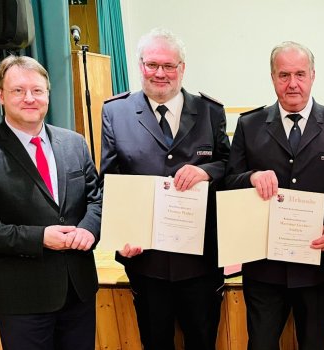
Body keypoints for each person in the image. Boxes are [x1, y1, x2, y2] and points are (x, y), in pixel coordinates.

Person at [0, 55, 102, 350]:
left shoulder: (75, 143)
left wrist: (89, 229)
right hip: (23, 297)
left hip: (79, 290)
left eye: (37, 90)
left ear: (48, 94)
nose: (29, 98)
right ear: (1, 96)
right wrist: (39, 238)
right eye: (18, 90)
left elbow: (96, 199)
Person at [100, 28, 230, 349]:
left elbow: (230, 166)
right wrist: (121, 236)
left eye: (169, 66)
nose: (160, 73)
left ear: (182, 68)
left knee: (202, 342)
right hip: (146, 260)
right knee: (155, 343)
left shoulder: (210, 112)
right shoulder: (115, 112)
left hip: (201, 259)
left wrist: (206, 172)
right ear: (140, 66)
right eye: (152, 65)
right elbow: (110, 180)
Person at [224, 41, 324, 350]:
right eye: (284, 75)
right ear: (272, 77)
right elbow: (227, 183)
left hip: (319, 266)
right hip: (263, 267)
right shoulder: (249, 124)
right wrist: (250, 177)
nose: (292, 83)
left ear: (313, 75)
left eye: (300, 74)